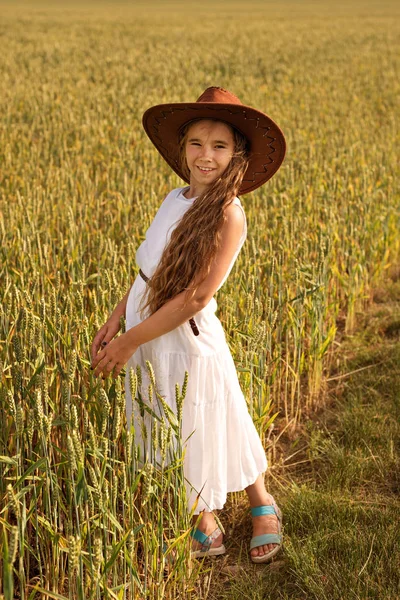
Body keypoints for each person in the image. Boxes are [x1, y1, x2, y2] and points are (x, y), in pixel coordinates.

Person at [91, 87, 286, 563]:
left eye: (219, 146)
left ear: (236, 154)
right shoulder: (172, 198)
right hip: (144, 332)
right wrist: (116, 321)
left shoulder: (227, 213)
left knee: (216, 414)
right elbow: (146, 272)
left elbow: (195, 297)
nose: (206, 155)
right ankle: (203, 516)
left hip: (186, 338)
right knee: (167, 418)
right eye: (197, 143)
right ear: (182, 149)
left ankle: (262, 503)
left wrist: (128, 343)